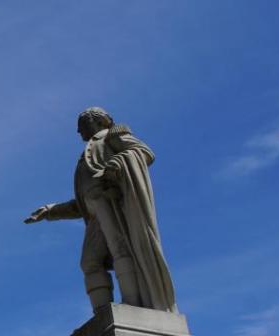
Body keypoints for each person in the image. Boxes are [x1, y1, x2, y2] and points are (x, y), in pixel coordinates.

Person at [24, 107, 176, 312]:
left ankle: (133, 304)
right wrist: (50, 211)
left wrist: (116, 164)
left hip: (111, 202)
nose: (79, 132)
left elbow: (144, 152)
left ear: (97, 121)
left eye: (81, 126)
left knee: (121, 250)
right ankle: (103, 313)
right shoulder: (86, 153)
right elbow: (83, 202)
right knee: (89, 263)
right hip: (95, 211)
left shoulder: (112, 135)